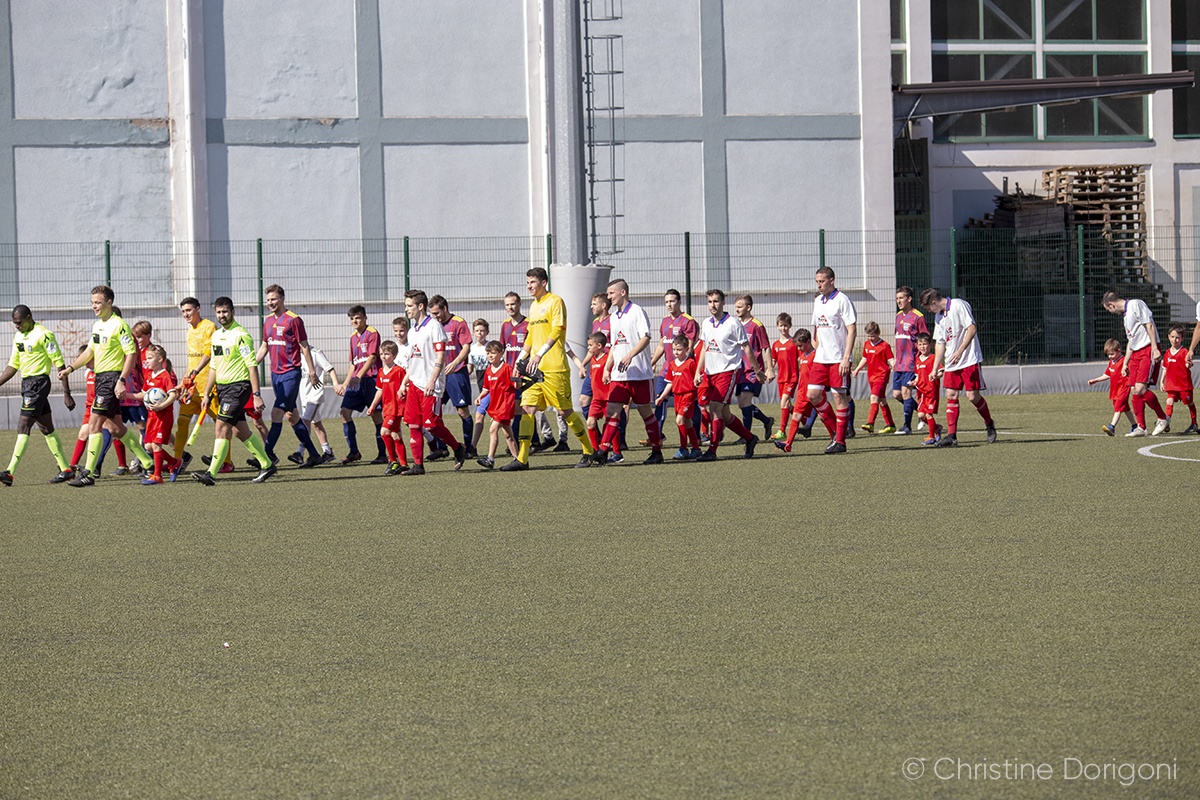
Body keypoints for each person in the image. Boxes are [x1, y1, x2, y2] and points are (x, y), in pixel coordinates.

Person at [56, 286, 154, 486]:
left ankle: (89, 474)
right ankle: (148, 462)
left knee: (94, 424)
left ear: (109, 303)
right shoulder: (97, 325)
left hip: (111, 379)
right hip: (101, 378)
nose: (94, 306)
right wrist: (70, 368)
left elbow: (131, 354)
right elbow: (89, 352)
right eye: (92, 302)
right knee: (116, 428)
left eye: (98, 302)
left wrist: (121, 380)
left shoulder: (120, 326)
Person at [502, 267, 595, 470]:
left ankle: (589, 451)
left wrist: (539, 354)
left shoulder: (555, 301)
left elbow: (557, 330)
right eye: (527, 282)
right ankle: (522, 459)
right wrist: (519, 360)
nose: (529, 286)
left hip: (554, 368)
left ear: (543, 282)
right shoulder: (534, 306)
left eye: (533, 282)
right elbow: (530, 337)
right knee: (527, 409)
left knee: (564, 411)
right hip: (534, 371)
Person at [191, 297, 277, 485]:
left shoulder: (241, 335)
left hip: (238, 387)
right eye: (218, 312)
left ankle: (211, 474)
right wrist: (207, 393)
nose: (222, 315)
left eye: (225, 311)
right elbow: (214, 366)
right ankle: (267, 464)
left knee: (221, 428)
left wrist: (256, 395)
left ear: (232, 312)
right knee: (240, 431)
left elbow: (252, 366)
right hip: (222, 389)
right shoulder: (216, 336)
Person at [0, 305, 75, 486]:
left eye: (19, 323)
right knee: (46, 427)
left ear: (29, 317)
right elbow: (13, 365)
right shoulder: (18, 336)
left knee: (23, 425)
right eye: (15, 323)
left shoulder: (44, 335)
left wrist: (67, 393)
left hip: (39, 383)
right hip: (27, 384)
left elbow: (59, 363)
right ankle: (66, 470)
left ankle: (10, 472)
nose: (17, 326)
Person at [592, 278, 664, 465]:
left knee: (645, 412)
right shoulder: (614, 317)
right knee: (612, 411)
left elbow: (646, 337)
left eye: (611, 293)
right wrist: (607, 367)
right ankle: (603, 451)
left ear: (622, 292)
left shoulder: (637, 311)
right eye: (608, 294)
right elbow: (614, 345)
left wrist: (630, 355)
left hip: (639, 374)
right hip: (619, 375)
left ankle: (657, 452)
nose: (609, 297)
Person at [398, 289, 466, 474]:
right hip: (414, 384)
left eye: (409, 306)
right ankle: (418, 466)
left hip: (431, 385)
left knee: (431, 424)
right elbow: (413, 360)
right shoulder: (412, 331)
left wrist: (432, 380)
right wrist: (404, 382)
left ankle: (458, 448)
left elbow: (440, 356)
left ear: (420, 306)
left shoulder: (434, 327)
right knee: (413, 424)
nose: (406, 309)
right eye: (406, 306)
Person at [920, 288, 997, 447]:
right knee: (951, 394)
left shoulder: (958, 305)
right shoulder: (939, 316)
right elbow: (940, 342)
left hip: (969, 359)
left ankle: (989, 423)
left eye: (928, 308)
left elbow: (972, 328)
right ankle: (952, 436)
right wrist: (935, 367)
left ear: (934, 302)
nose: (929, 311)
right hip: (952, 362)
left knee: (972, 396)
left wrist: (960, 351)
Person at [693, 289, 764, 461]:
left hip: (727, 372)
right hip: (710, 373)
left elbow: (747, 347)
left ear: (723, 302)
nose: (713, 305)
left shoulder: (733, 323)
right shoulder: (706, 323)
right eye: (710, 302)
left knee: (714, 409)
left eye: (716, 301)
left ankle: (712, 450)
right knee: (724, 414)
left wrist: (757, 370)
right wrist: (697, 371)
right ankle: (750, 438)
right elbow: (704, 348)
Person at [255, 284, 320, 465]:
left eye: (274, 299)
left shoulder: (293, 320)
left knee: (277, 413)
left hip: (291, 373)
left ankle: (266, 456)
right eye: (268, 300)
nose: (270, 303)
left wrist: (312, 371)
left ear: (282, 299)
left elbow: (304, 346)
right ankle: (314, 454)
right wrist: (250, 366)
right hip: (275, 374)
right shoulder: (268, 321)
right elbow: (264, 346)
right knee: (292, 416)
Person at [1101, 290, 1167, 438]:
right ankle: (1141, 427)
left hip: (1147, 349)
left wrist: (1155, 348)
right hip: (1136, 353)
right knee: (1134, 390)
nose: (1110, 312)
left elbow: (1149, 325)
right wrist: (1125, 363)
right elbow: (1131, 341)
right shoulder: (1126, 317)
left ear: (1111, 305)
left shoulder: (1136, 304)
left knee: (1140, 388)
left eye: (1108, 309)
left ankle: (1162, 418)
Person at [809, 267, 857, 454]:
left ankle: (840, 442)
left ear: (832, 280)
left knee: (839, 398)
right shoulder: (817, 301)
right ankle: (836, 433)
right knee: (813, 395)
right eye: (817, 282)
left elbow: (852, 329)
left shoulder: (842, 300)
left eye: (822, 281)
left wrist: (846, 358)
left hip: (838, 358)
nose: (819, 285)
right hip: (821, 358)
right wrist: (815, 349)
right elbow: (816, 329)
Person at [335, 305, 387, 464]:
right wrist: (345, 383)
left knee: (376, 415)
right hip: (356, 382)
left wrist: (359, 376)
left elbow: (372, 357)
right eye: (352, 319)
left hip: (371, 380)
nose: (354, 321)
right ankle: (354, 452)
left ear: (365, 318)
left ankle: (382, 454)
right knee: (344, 413)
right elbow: (353, 363)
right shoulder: (352, 337)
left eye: (357, 318)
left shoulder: (372, 333)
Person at [173, 297, 217, 474]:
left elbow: (208, 353)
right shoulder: (189, 332)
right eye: (183, 311)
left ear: (198, 309)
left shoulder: (209, 327)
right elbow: (191, 361)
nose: (186, 314)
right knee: (182, 421)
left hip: (209, 386)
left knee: (221, 424)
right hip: (192, 388)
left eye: (189, 310)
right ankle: (177, 461)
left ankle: (225, 461)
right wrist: (183, 382)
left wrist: (196, 371)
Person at [649, 289, 699, 444]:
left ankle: (696, 436)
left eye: (672, 301)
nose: (669, 304)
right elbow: (661, 345)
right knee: (659, 399)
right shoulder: (664, 321)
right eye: (667, 302)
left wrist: (681, 367)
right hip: (667, 370)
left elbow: (690, 348)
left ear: (679, 302)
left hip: (683, 373)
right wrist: (652, 362)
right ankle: (657, 435)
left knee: (690, 404)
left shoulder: (688, 321)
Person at [429, 295, 476, 454]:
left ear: (445, 309)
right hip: (438, 374)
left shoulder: (458, 322)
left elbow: (466, 347)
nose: (435, 317)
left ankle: (469, 448)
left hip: (456, 373)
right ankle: (442, 448)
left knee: (462, 411)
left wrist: (455, 363)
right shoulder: (433, 326)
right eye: (432, 314)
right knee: (433, 411)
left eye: (437, 313)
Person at [132, 343, 182, 484]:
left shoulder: (165, 375)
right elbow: (144, 394)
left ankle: (157, 476)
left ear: (160, 359)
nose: (146, 361)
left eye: (149, 358)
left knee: (156, 446)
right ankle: (174, 463)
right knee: (148, 446)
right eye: (146, 358)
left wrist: (161, 405)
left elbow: (173, 395)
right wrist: (127, 396)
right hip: (152, 416)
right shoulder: (149, 374)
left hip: (163, 416)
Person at [286, 342, 337, 467]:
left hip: (315, 395)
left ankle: (300, 452)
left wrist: (336, 384)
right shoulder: (295, 356)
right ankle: (328, 452)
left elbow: (330, 368)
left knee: (305, 422)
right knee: (316, 424)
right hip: (305, 396)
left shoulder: (315, 353)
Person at [733, 294, 775, 440]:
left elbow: (766, 347)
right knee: (742, 404)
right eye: (736, 307)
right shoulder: (735, 324)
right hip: (739, 370)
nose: (737, 309)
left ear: (748, 307)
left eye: (740, 307)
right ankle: (766, 421)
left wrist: (769, 369)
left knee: (745, 401)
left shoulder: (757, 325)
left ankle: (746, 436)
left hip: (753, 371)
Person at [775, 328, 823, 452]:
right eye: (798, 346)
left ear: (808, 342)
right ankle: (788, 444)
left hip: (814, 391)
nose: (799, 348)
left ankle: (836, 436)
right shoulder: (802, 355)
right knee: (796, 415)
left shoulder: (816, 356)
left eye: (801, 346)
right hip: (802, 392)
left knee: (823, 416)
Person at [365, 340, 409, 475]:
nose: (383, 357)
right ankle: (404, 464)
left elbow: (407, 387)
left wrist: (407, 408)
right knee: (395, 435)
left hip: (396, 408)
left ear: (394, 355)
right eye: (381, 354)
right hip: (387, 408)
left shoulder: (399, 371)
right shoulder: (380, 372)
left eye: (387, 354)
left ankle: (393, 461)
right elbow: (380, 390)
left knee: (384, 431)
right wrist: (373, 405)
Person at [654, 334, 701, 459]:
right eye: (674, 349)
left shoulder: (691, 363)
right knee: (687, 422)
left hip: (688, 395)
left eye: (679, 350)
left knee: (679, 420)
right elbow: (670, 383)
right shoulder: (672, 364)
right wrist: (662, 396)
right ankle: (696, 448)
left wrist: (698, 391)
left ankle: (683, 449)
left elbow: (696, 379)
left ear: (686, 349)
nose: (676, 352)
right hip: (677, 396)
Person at [474, 341, 519, 469]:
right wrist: (479, 397)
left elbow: (516, 385)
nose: (490, 356)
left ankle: (490, 459)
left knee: (493, 429)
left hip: (505, 406)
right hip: (495, 406)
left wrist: (518, 380)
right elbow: (486, 389)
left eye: (493, 353)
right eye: (488, 353)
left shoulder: (507, 368)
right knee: (508, 435)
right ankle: (518, 459)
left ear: (501, 353)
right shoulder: (488, 370)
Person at [892, 286, 929, 434]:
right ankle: (922, 412)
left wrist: (923, 360)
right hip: (899, 363)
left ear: (909, 299)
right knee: (897, 394)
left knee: (906, 393)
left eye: (901, 298)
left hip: (911, 362)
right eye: (897, 298)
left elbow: (925, 339)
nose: (898, 301)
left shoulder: (918, 317)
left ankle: (907, 426)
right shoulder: (898, 316)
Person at [852, 321, 896, 434]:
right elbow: (865, 358)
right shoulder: (867, 344)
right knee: (882, 401)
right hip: (871, 376)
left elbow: (891, 360)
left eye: (873, 336)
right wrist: (857, 369)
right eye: (868, 336)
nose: (870, 338)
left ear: (878, 333)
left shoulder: (885, 346)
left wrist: (894, 366)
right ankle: (891, 425)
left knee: (874, 398)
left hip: (881, 376)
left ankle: (870, 423)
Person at [582, 332, 621, 459]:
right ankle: (595, 452)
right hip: (596, 399)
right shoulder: (593, 359)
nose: (588, 348)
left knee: (611, 425)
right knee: (590, 423)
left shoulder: (608, 360)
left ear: (599, 346)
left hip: (608, 399)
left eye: (590, 345)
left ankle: (617, 452)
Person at [1088, 338, 1137, 436]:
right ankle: (1135, 426)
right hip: (1115, 390)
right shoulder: (1111, 362)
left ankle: (1112, 426)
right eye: (1108, 355)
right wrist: (1096, 380)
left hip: (1124, 388)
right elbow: (1107, 374)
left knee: (1118, 407)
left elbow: (1132, 372)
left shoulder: (1124, 361)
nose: (1110, 356)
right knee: (1125, 408)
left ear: (1119, 351)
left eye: (1112, 354)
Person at [1160, 325, 1197, 434]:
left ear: (1182, 339)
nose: (1174, 340)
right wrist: (1162, 381)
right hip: (1171, 384)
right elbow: (1165, 368)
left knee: (1189, 403)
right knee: (1169, 401)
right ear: (1168, 337)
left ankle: (1194, 423)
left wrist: (1188, 364)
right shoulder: (1167, 353)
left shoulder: (1185, 352)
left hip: (1184, 385)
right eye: (1172, 337)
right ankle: (1166, 423)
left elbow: (1188, 364)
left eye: (1177, 338)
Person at [770, 313, 800, 441]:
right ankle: (804, 419)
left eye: (786, 326)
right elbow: (773, 361)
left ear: (790, 326)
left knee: (783, 402)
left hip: (792, 377)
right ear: (777, 326)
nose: (783, 328)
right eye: (781, 325)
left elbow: (800, 358)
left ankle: (782, 431)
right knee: (787, 404)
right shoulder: (775, 344)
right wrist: (769, 370)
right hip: (781, 378)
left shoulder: (794, 343)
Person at [910, 332, 943, 445]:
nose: (922, 347)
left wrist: (935, 376)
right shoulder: (918, 360)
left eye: (925, 344)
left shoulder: (934, 358)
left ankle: (931, 437)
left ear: (930, 345)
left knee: (929, 414)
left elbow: (940, 372)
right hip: (921, 392)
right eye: (920, 344)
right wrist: (915, 381)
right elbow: (918, 376)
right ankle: (936, 428)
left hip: (931, 392)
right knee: (921, 415)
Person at [467, 318, 491, 456]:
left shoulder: (491, 347)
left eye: (482, 331)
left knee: (481, 415)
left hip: (493, 387)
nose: (480, 333)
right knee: (485, 417)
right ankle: (473, 447)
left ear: (487, 332)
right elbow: (470, 367)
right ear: (473, 333)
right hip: (482, 387)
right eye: (477, 331)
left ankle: (472, 446)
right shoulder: (472, 349)